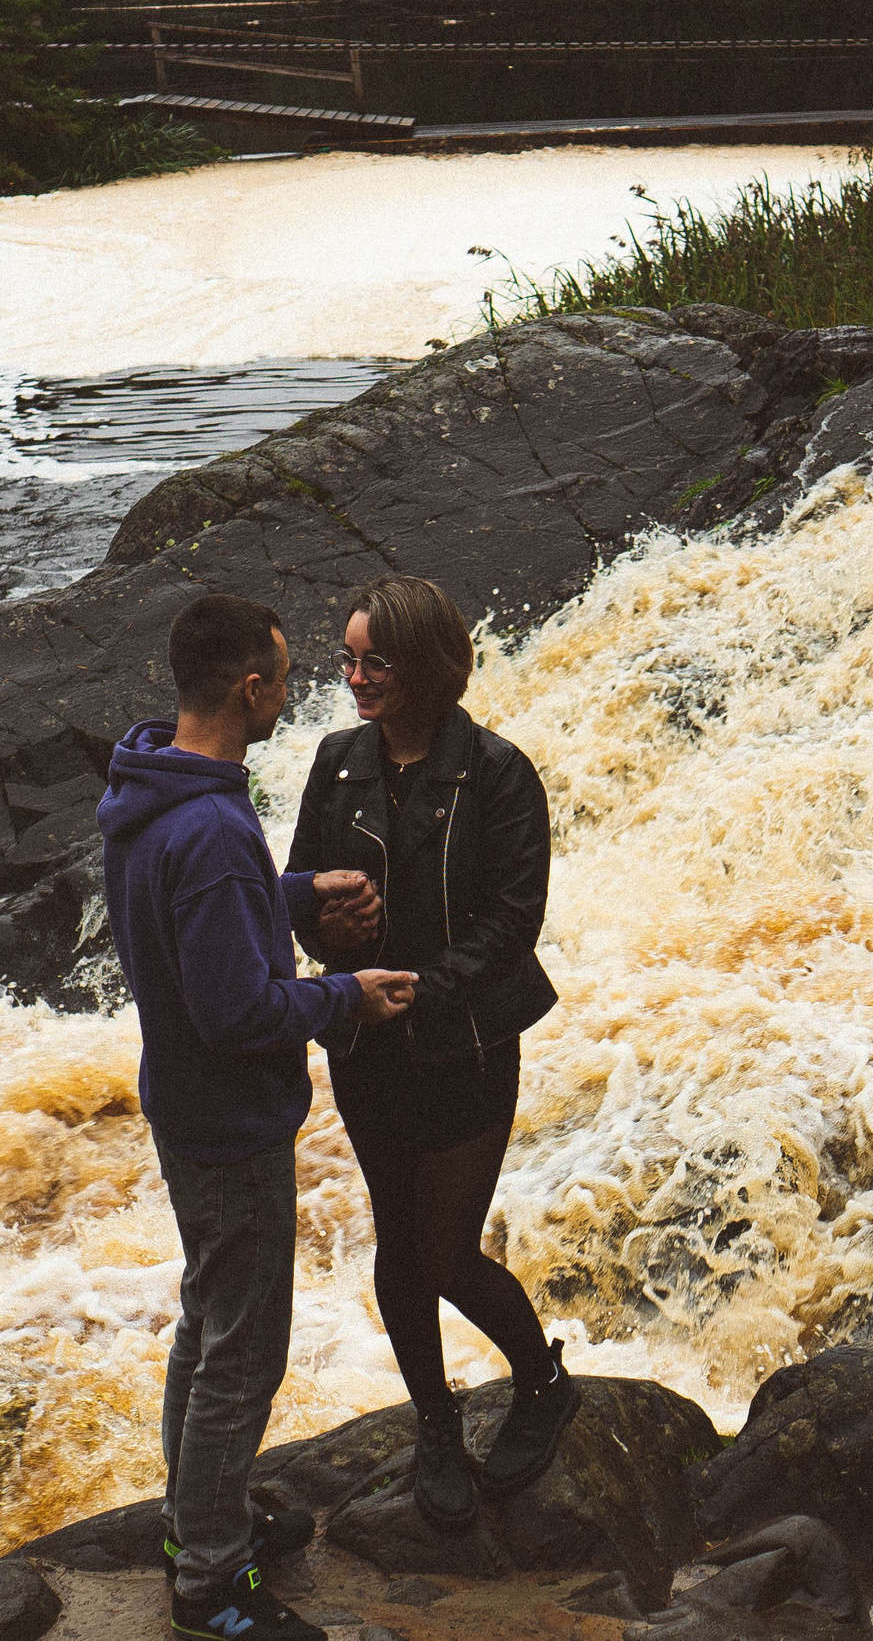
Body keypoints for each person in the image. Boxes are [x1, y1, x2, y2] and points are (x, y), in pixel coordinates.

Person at [99, 592, 419, 1641]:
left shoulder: (152, 789)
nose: (294, 693)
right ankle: (211, 1584)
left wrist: (289, 894)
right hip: (232, 1119)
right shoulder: (212, 824)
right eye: (285, 677)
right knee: (243, 1350)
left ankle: (199, 1520)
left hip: (181, 1104)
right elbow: (241, 1010)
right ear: (249, 688)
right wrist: (347, 994)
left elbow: (192, 916)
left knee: (209, 1319)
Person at [285, 573, 580, 1533]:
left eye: (375, 661)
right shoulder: (335, 764)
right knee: (398, 1247)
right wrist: (335, 926)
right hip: (368, 1042)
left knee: (447, 1249)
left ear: (424, 665)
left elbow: (513, 916)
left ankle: (541, 1382)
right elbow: (300, 892)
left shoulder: (498, 772)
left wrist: (424, 985)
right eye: (348, 658)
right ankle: (438, 1423)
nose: (356, 677)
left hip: (464, 1041)